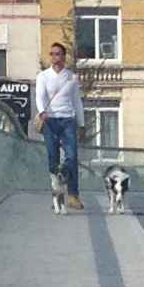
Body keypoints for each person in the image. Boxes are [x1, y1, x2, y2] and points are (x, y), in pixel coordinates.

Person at [33, 41, 83, 213]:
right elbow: (39, 96)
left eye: (58, 54)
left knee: (72, 156)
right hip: (50, 120)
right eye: (52, 54)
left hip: (68, 118)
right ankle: (56, 194)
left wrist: (81, 123)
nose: (55, 57)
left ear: (64, 56)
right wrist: (42, 112)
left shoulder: (71, 77)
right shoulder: (43, 76)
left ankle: (73, 195)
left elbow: (77, 100)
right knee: (52, 157)